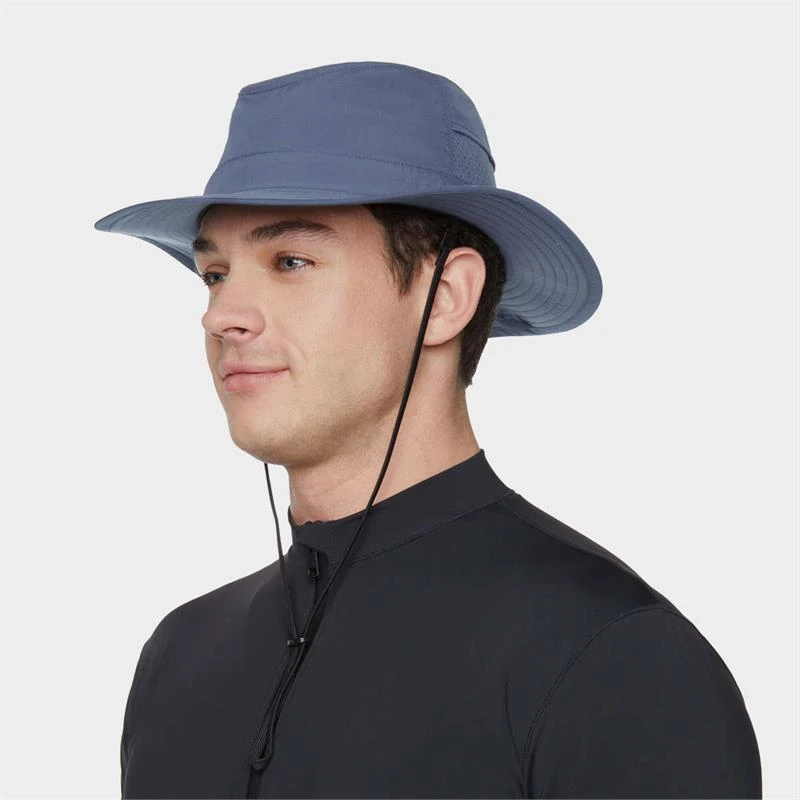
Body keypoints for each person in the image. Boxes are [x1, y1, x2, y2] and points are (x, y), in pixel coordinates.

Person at [95, 62, 762, 799]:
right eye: (215, 273)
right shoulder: (179, 657)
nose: (220, 315)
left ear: (444, 296)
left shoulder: (608, 655)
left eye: (290, 261)